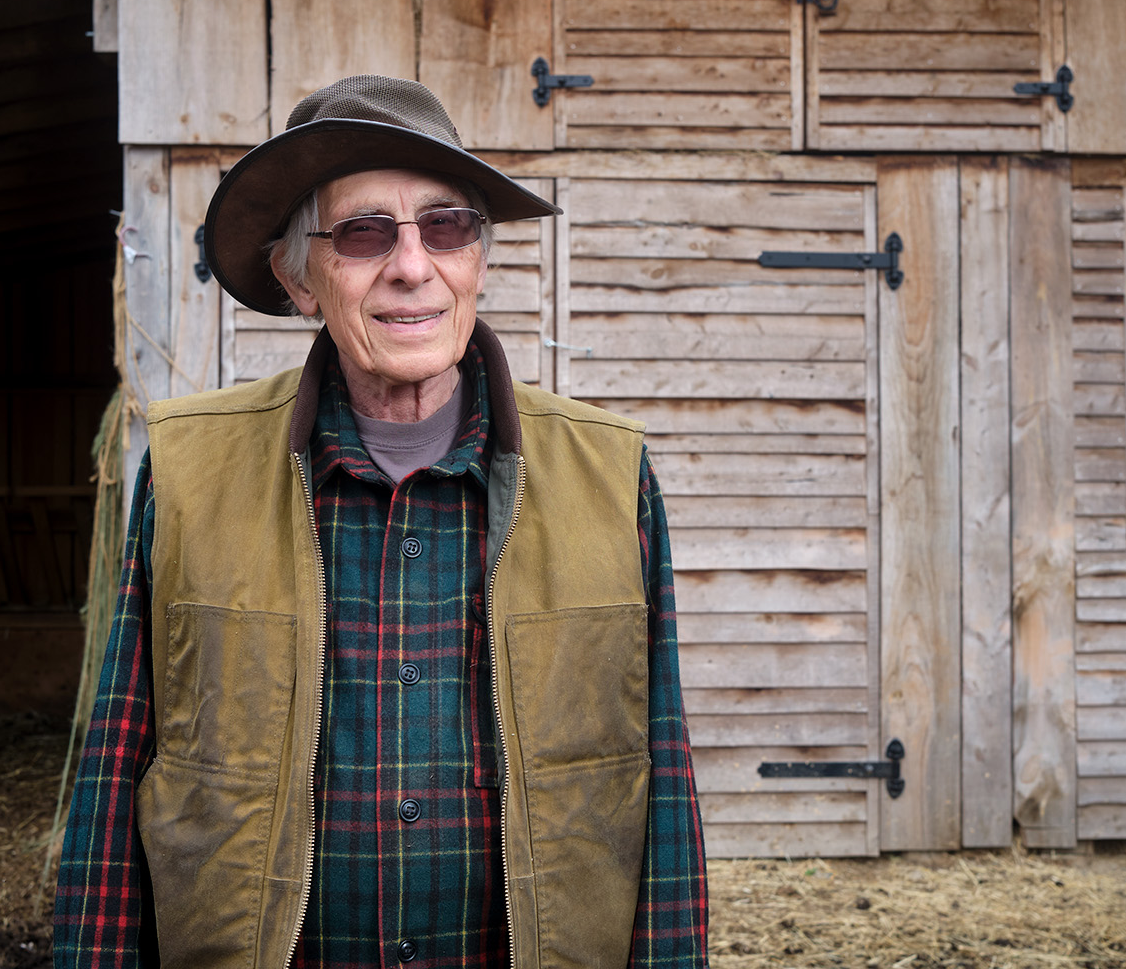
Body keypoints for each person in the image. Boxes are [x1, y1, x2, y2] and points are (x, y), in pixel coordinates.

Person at [54, 74, 708, 969]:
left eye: (446, 226)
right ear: (299, 279)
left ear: (478, 257)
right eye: (363, 233)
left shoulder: (611, 473)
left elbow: (661, 781)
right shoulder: (188, 474)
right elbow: (112, 778)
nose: (412, 264)